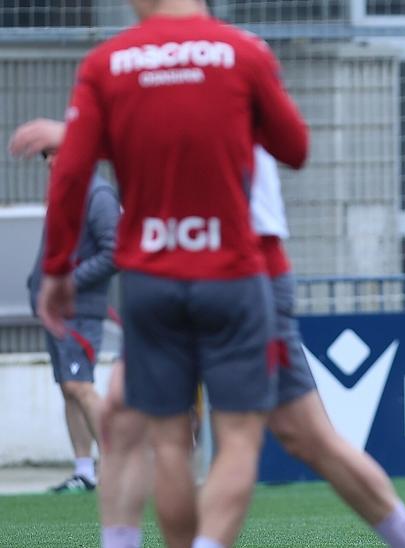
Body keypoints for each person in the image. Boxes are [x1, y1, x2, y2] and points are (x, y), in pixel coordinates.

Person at [19, 116, 405, 547]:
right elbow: (288, 146)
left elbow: (288, 146)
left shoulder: (183, 85)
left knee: (265, 435)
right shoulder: (151, 85)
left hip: (225, 269)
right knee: (154, 426)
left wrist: (79, 139)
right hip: (184, 273)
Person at [36, 0, 309, 546]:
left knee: (166, 442)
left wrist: (57, 269)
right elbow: (295, 148)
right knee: (238, 438)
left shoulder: (108, 62)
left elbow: (71, 175)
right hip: (232, 272)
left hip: (152, 278)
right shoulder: (241, 52)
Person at [10, 118, 118, 494]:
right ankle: (84, 471)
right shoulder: (65, 194)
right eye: (46, 155)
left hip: (80, 310)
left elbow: (114, 253)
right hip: (57, 313)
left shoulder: (97, 194)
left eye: (55, 152)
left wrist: (68, 283)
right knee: (68, 388)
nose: (50, 161)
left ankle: (117, 464)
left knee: (79, 385)